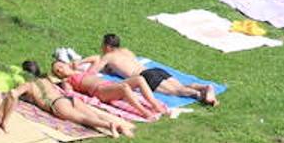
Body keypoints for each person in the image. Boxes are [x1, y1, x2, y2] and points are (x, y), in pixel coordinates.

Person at [83, 33, 218, 106]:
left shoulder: (108, 56)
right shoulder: (126, 51)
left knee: (176, 92)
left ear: (107, 46)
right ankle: (204, 87)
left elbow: (92, 72)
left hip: (147, 77)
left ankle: (200, 96)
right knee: (180, 86)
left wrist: (92, 61)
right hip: (155, 70)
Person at [13, 60, 134, 137]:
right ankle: (121, 127)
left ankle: (110, 126)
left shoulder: (28, 85)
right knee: (92, 116)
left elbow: (14, 94)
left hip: (56, 104)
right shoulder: (46, 80)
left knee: (84, 119)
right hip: (68, 98)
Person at [51, 58, 165, 121]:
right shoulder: (67, 81)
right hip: (101, 91)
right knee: (124, 87)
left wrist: (79, 62)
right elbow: (69, 93)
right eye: (57, 71)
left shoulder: (84, 72)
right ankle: (144, 112)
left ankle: (155, 105)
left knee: (139, 79)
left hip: (111, 85)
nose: (60, 70)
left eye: (60, 67)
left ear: (67, 65)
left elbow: (96, 59)